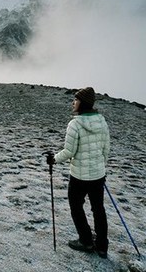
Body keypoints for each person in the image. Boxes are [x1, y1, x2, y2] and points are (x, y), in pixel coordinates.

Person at [46, 87, 111, 258]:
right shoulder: (102, 121)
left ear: (83, 103)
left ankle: (86, 241)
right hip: (98, 175)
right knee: (98, 209)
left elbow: (69, 152)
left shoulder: (75, 124)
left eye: (76, 100)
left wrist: (53, 159)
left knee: (76, 206)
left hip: (79, 176)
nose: (73, 102)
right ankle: (102, 246)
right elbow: (106, 149)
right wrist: (101, 167)